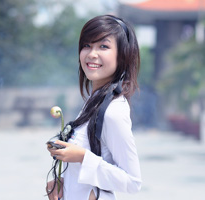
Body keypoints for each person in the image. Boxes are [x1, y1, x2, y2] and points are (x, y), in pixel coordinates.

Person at [46, 14, 142, 200]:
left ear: (122, 56)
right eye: (87, 45)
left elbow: (133, 181)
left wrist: (82, 157)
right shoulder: (94, 102)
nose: (91, 54)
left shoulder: (113, 111)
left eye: (103, 46)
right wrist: (64, 182)